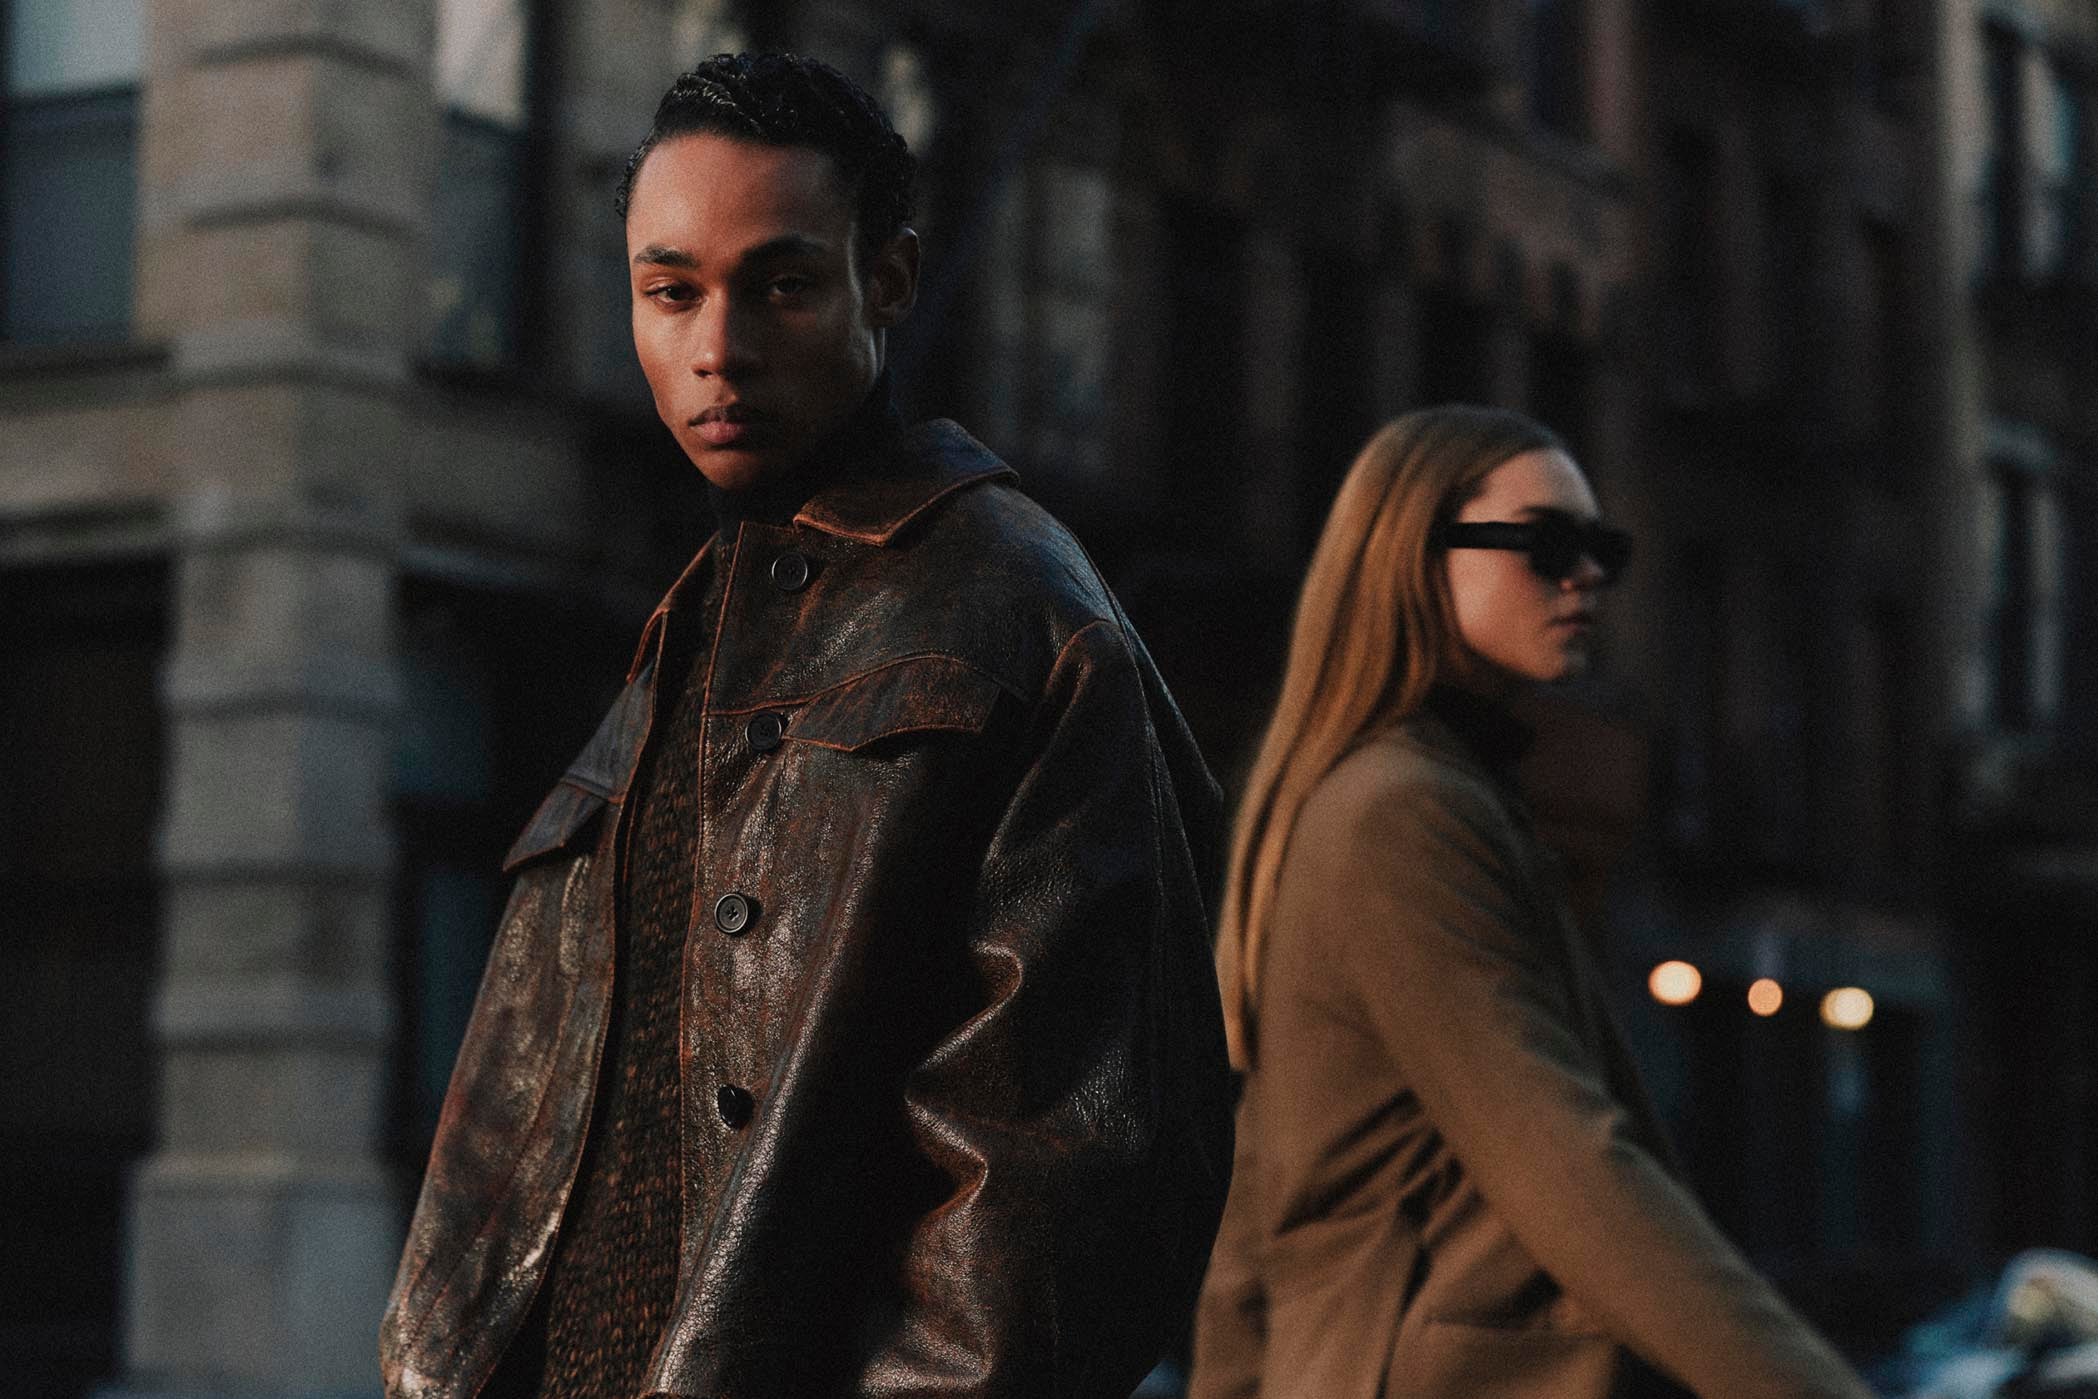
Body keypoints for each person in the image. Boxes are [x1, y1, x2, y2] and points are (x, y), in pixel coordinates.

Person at [380, 53, 1233, 1399]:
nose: (716, 345)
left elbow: (1066, 1174)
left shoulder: (1013, 610)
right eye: (670, 291)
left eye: (778, 283)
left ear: (883, 280)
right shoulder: (702, 620)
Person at [1188, 406, 1872, 1399]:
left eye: (1601, 547)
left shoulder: (1381, 795)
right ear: (1413, 559)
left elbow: (1250, 1214)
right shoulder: (1401, 811)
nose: (1586, 574)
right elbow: (1570, 1161)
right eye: (1547, 545)